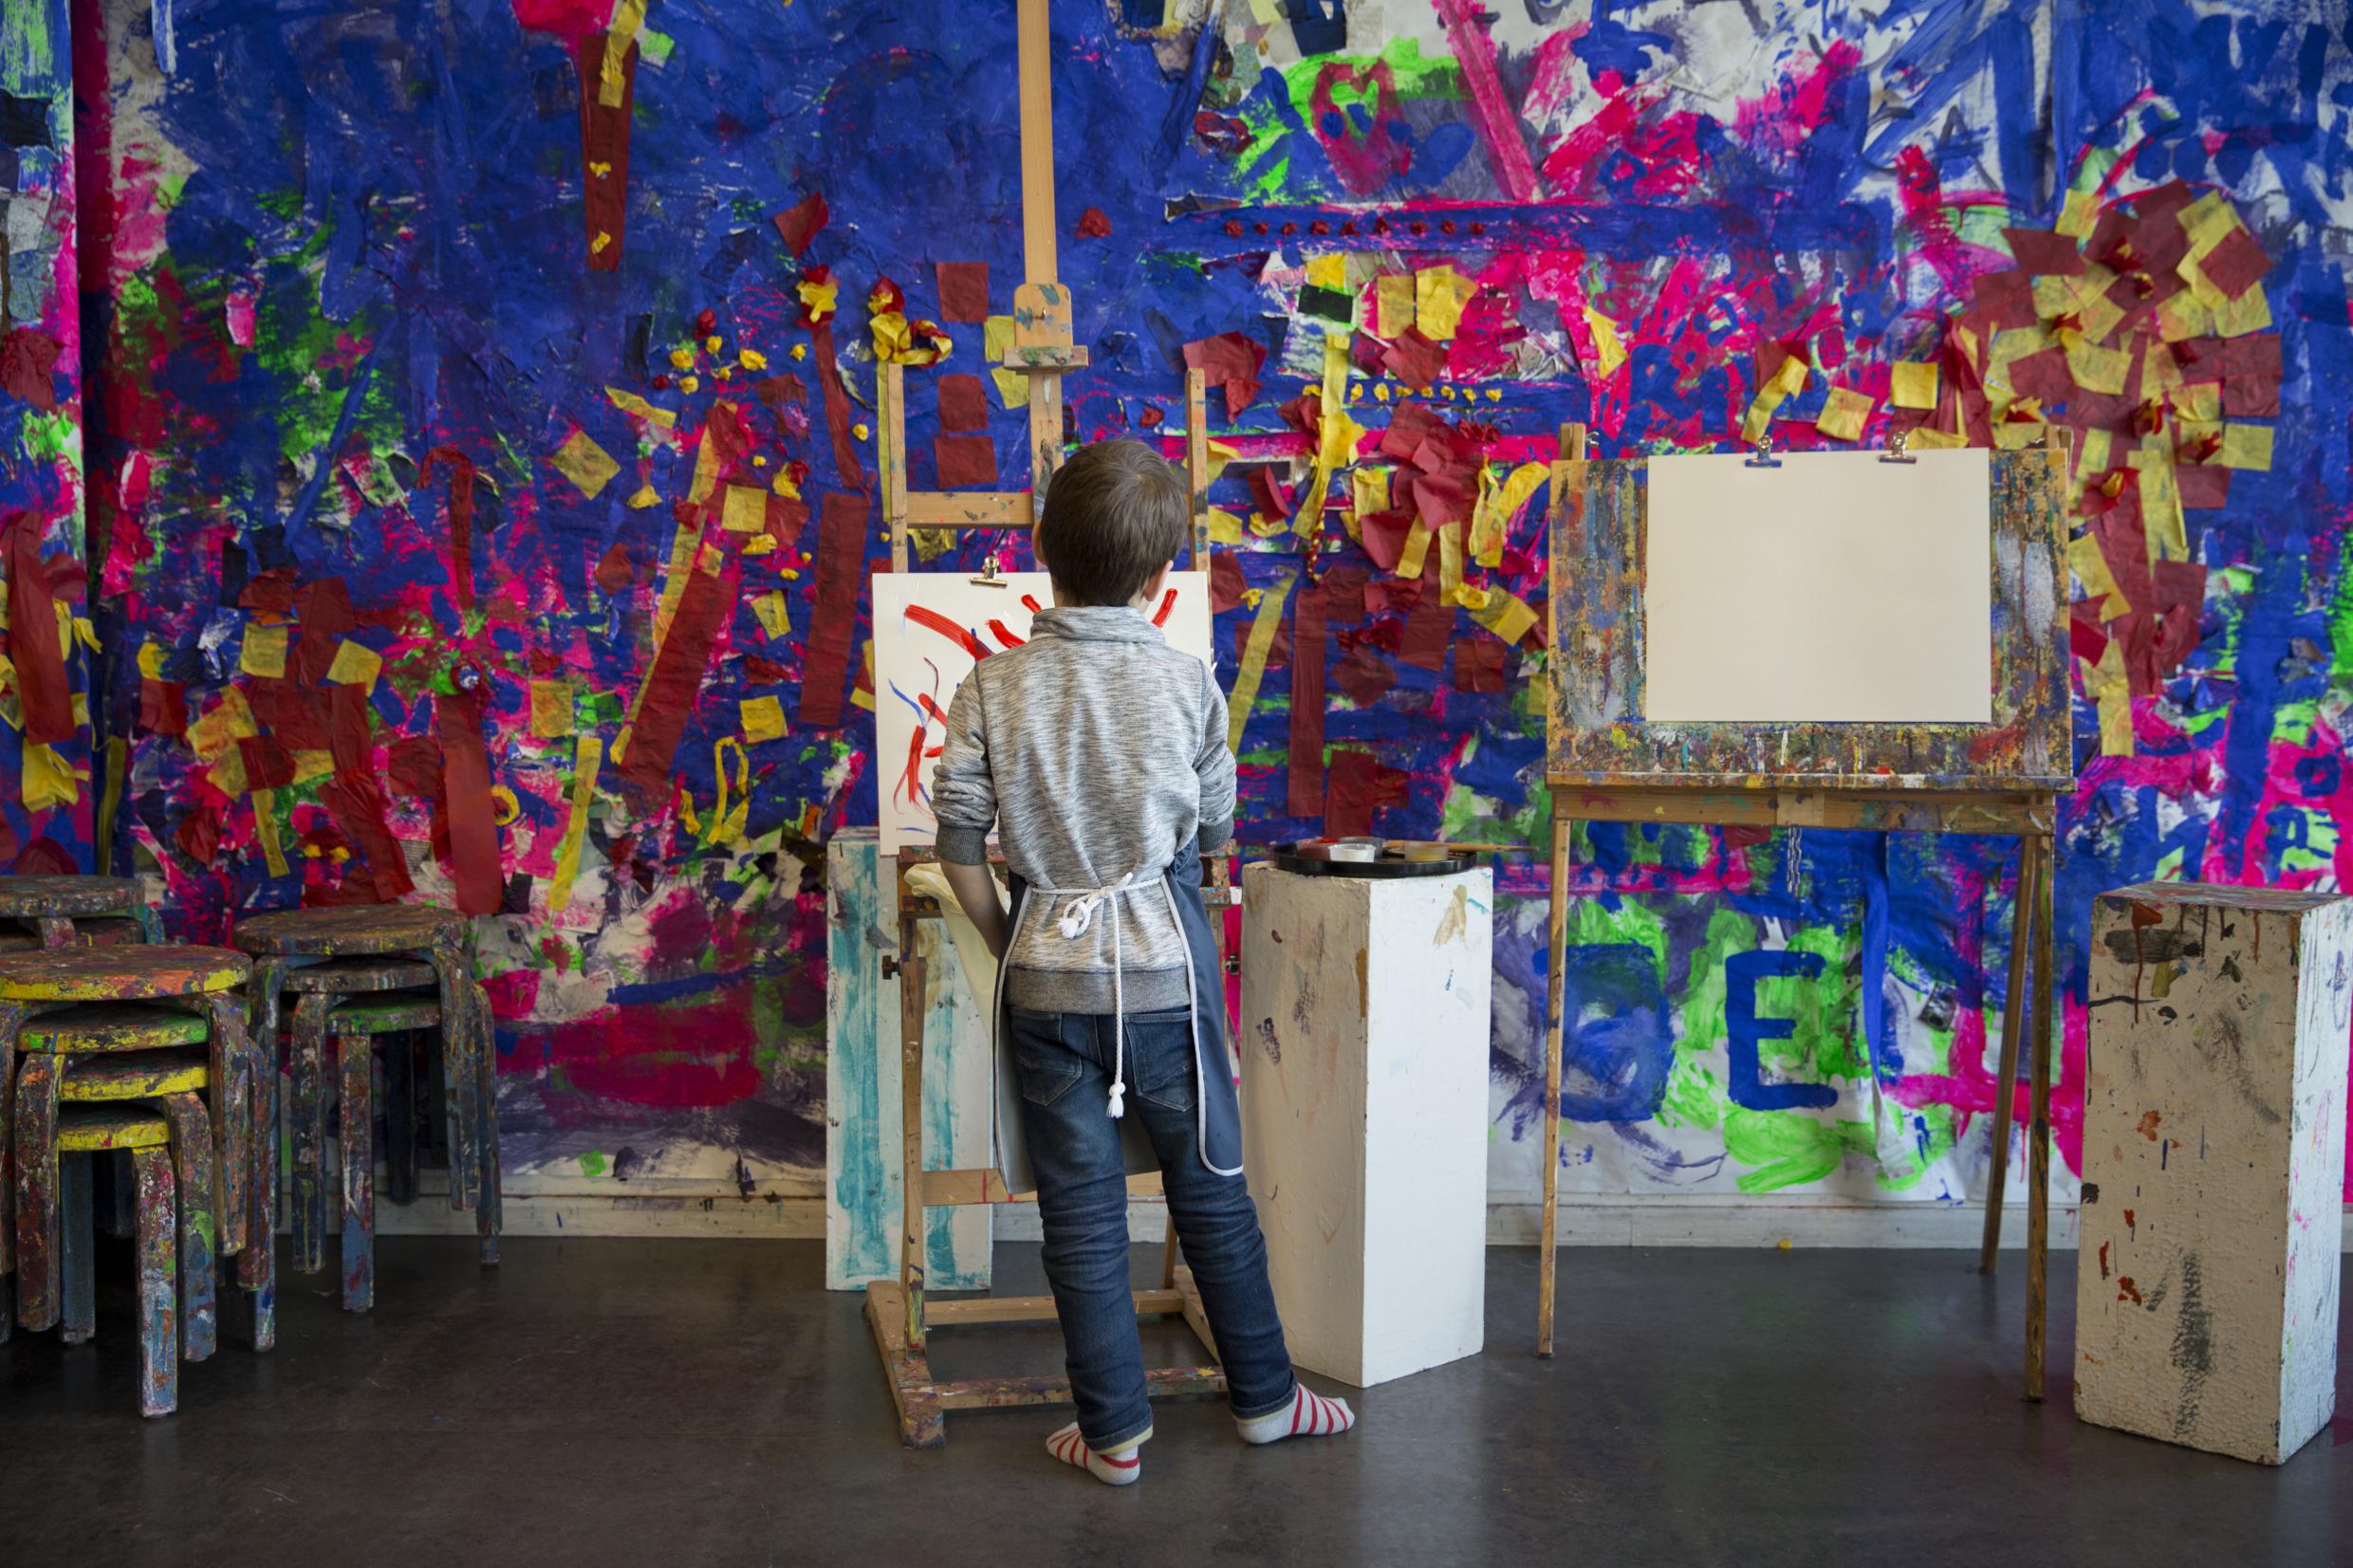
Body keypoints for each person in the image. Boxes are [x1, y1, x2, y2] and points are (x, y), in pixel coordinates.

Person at [931, 439, 1355, 1485]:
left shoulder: (990, 683)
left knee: (1078, 1215)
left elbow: (955, 850)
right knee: (1210, 1188)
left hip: (1044, 976)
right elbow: (1214, 835)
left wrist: (1009, 940)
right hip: (1163, 976)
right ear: (1161, 572)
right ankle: (1262, 1400)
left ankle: (1113, 1433)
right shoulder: (1183, 681)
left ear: (1043, 553)